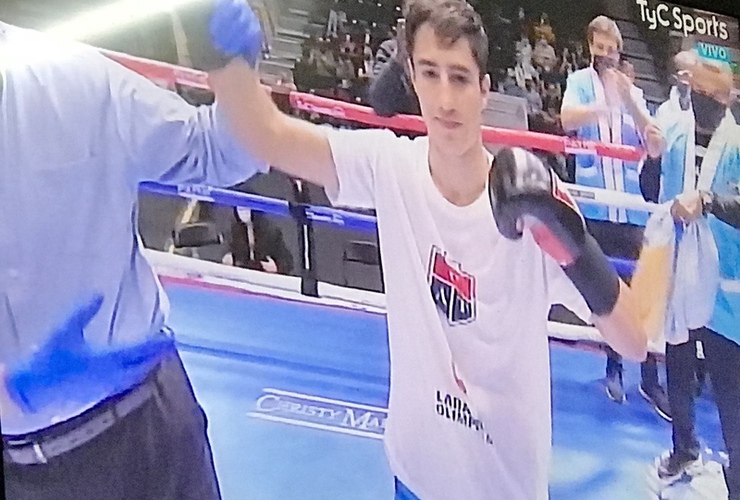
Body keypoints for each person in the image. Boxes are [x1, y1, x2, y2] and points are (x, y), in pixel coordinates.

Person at [202, 1, 648, 498]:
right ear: (412, 78)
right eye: (430, 74)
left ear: (485, 90)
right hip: (412, 478)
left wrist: (574, 248)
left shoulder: (530, 201)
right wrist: (223, 59)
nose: (444, 98)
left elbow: (634, 340)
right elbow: (269, 134)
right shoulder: (391, 166)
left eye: (459, 78)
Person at [0, 16, 266, 500]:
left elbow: (221, 150)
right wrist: (13, 395)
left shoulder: (67, 78)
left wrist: (236, 69)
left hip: (150, 425)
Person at [560, 15, 669, 416]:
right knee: (607, 293)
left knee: (642, 294)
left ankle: (650, 379)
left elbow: (656, 144)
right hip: (594, 207)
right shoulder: (578, 82)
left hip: (631, 208)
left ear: (619, 51)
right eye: (599, 47)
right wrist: (601, 106)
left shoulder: (633, 91)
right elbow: (566, 119)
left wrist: (629, 103)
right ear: (591, 47)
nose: (606, 55)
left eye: (612, 48)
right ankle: (613, 367)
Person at [654, 52, 740, 492]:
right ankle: (683, 447)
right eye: (697, 90)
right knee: (678, 370)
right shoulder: (673, 130)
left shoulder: (739, 141)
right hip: (679, 274)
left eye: (712, 93)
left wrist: (706, 200)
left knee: (731, 398)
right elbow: (654, 191)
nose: (703, 98)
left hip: (727, 293)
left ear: (728, 97)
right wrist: (651, 158)